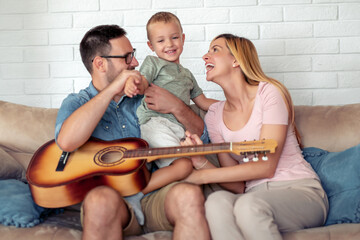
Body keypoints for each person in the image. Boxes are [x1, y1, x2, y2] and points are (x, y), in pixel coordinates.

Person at [55, 24, 210, 240]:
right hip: (115, 199)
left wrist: (177, 107)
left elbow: (204, 136)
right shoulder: (77, 103)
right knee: (100, 200)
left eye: (133, 55)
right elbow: (67, 142)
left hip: (155, 191)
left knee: (188, 194)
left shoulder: (145, 95)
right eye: (127, 57)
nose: (135, 63)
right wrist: (113, 89)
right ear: (100, 64)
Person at [181, 34, 329, 240]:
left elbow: (266, 167)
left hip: (300, 189)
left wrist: (200, 177)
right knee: (215, 202)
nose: (205, 56)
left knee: (247, 205)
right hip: (253, 196)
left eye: (215, 49)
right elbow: (237, 185)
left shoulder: (269, 93)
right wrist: (200, 161)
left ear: (236, 60)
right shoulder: (214, 115)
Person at [124, 11, 217, 215]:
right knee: (183, 166)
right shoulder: (153, 63)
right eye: (161, 40)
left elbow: (202, 102)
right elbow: (143, 80)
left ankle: (145, 188)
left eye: (174, 37)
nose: (169, 44)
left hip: (178, 130)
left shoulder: (187, 75)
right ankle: (136, 195)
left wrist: (234, 104)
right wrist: (134, 83)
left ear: (183, 38)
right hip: (154, 123)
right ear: (151, 46)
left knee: (185, 165)